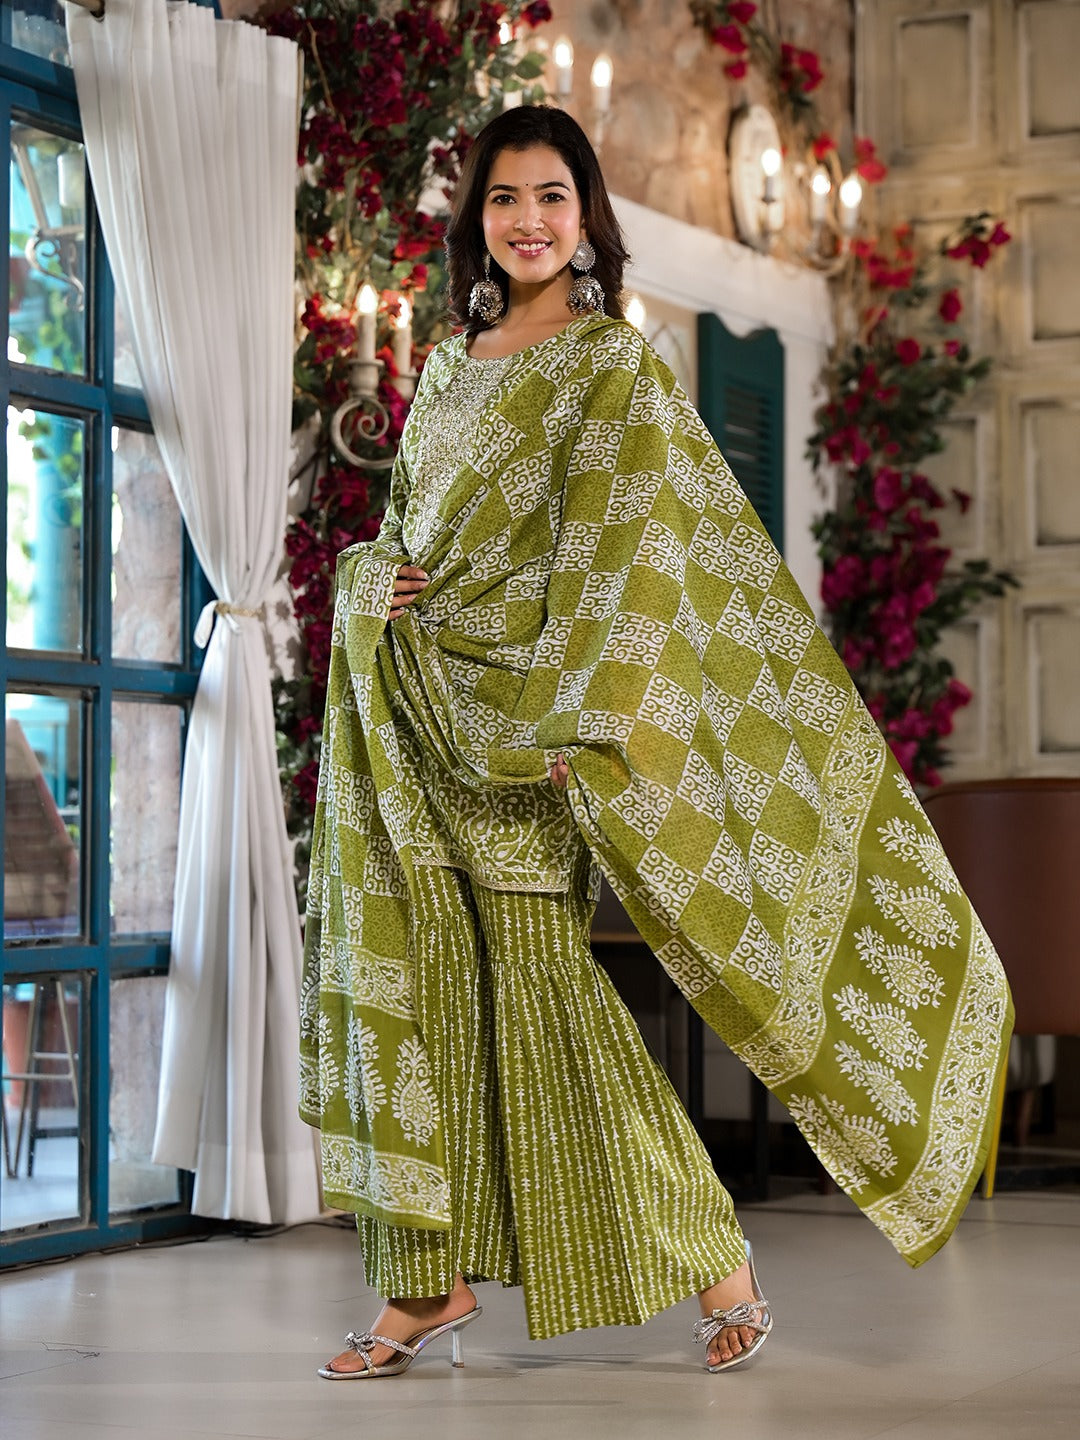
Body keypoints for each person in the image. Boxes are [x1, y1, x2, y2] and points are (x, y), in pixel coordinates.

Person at [300, 105, 1012, 1381]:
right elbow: (405, 527)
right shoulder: (447, 369)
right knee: (419, 995)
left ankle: (716, 1261)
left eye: (551, 197)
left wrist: (576, 716)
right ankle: (424, 1283)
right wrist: (371, 579)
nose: (527, 220)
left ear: (586, 218)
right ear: (476, 220)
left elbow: (622, 555)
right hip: (414, 714)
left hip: (526, 732)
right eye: (505, 197)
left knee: (553, 1010)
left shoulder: (609, 368)